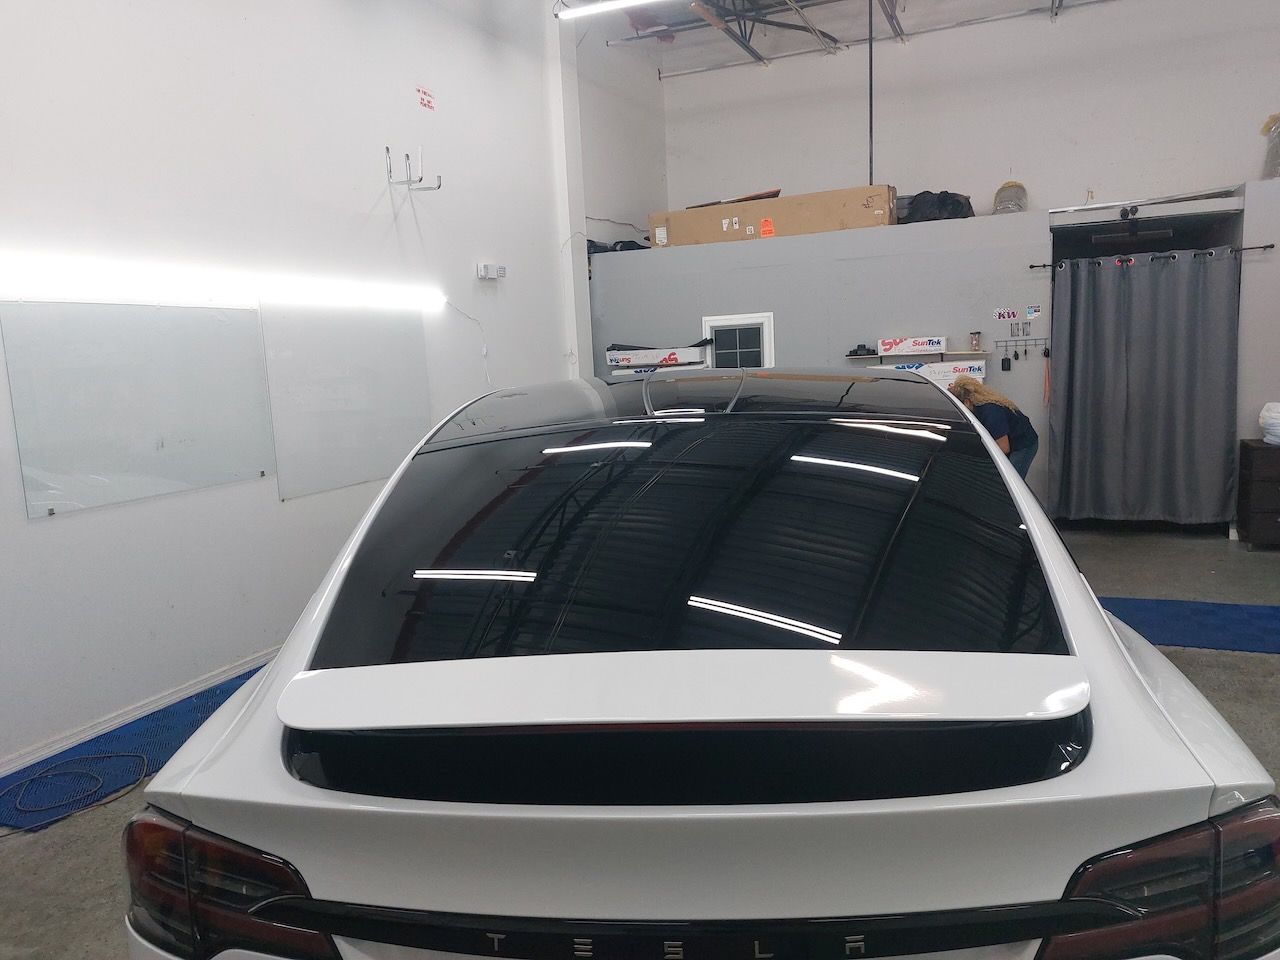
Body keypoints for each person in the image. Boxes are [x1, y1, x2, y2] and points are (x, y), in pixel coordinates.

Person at [947, 375, 1039, 479]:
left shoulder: (990, 412)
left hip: (1023, 443)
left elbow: (1004, 447)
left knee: (1010, 481)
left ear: (967, 402)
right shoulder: (974, 408)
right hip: (1007, 440)